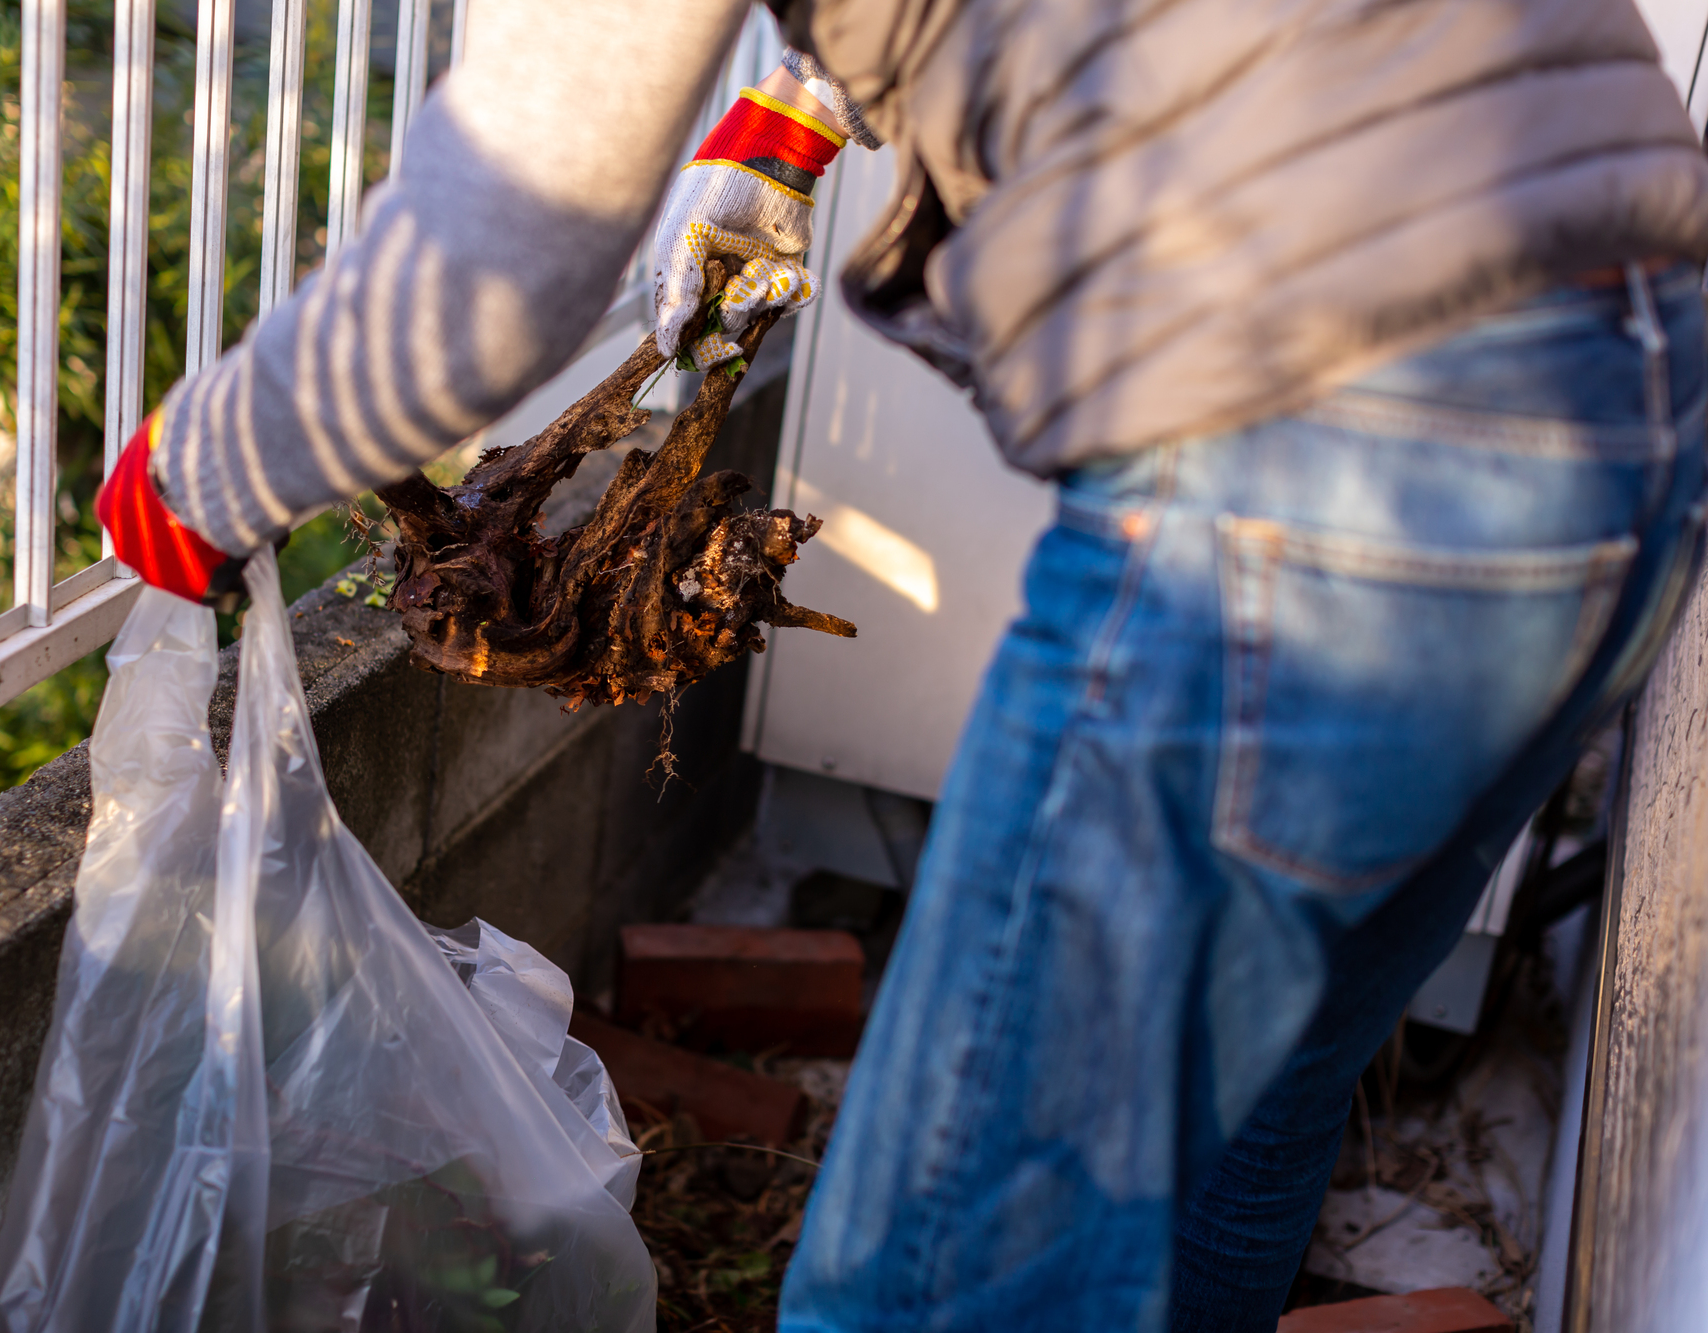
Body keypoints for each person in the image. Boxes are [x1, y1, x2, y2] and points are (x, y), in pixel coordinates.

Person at [97, 0, 1708, 1326]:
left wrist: (195, 478)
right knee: (1250, 1104)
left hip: (1330, 446)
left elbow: (497, 261)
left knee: (927, 1274)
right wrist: (792, 121)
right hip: (1638, 399)